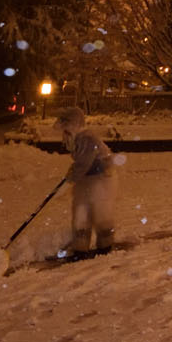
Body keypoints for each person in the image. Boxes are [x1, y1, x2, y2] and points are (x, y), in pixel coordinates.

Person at [56, 107, 117, 254]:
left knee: (101, 211)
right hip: (87, 178)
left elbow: (84, 162)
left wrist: (69, 180)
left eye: (65, 128)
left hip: (101, 179)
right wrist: (72, 173)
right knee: (81, 211)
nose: (63, 134)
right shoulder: (78, 138)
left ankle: (105, 245)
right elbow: (81, 163)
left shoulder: (87, 138)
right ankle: (80, 247)